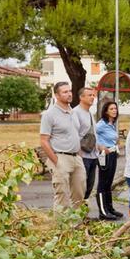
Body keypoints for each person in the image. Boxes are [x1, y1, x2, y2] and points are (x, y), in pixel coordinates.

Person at [39, 82, 85, 211]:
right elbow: (43, 141)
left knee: (79, 195)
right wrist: (56, 161)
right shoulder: (49, 114)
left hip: (76, 158)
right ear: (57, 95)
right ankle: (61, 229)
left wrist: (79, 155)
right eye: (65, 92)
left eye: (70, 91)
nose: (69, 94)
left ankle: (77, 227)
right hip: (61, 158)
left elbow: (76, 135)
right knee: (62, 197)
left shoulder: (74, 112)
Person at [95, 99, 122, 220]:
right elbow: (91, 135)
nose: (114, 111)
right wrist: (100, 146)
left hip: (112, 154)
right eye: (111, 109)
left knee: (109, 182)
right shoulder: (101, 124)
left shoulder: (111, 124)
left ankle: (110, 208)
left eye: (115, 108)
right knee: (103, 182)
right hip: (104, 156)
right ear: (105, 111)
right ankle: (103, 211)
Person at [73, 87, 99, 203]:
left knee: (89, 186)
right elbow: (74, 134)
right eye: (89, 95)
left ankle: (83, 212)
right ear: (81, 97)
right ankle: (78, 214)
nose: (92, 97)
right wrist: (79, 154)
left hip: (93, 155)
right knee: (80, 187)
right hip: (83, 156)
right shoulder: (75, 112)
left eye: (93, 95)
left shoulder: (89, 113)